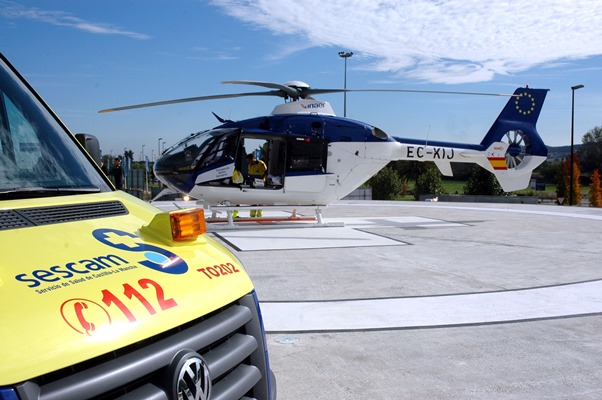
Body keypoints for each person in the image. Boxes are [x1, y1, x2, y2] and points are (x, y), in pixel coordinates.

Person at [247, 153, 267, 217]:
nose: (248, 161)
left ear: (253, 158)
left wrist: (262, 178)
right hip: (253, 183)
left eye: (249, 160)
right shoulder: (249, 165)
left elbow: (266, 171)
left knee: (260, 198)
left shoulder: (261, 163)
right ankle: (252, 214)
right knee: (253, 198)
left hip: (260, 183)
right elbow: (249, 173)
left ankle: (259, 213)